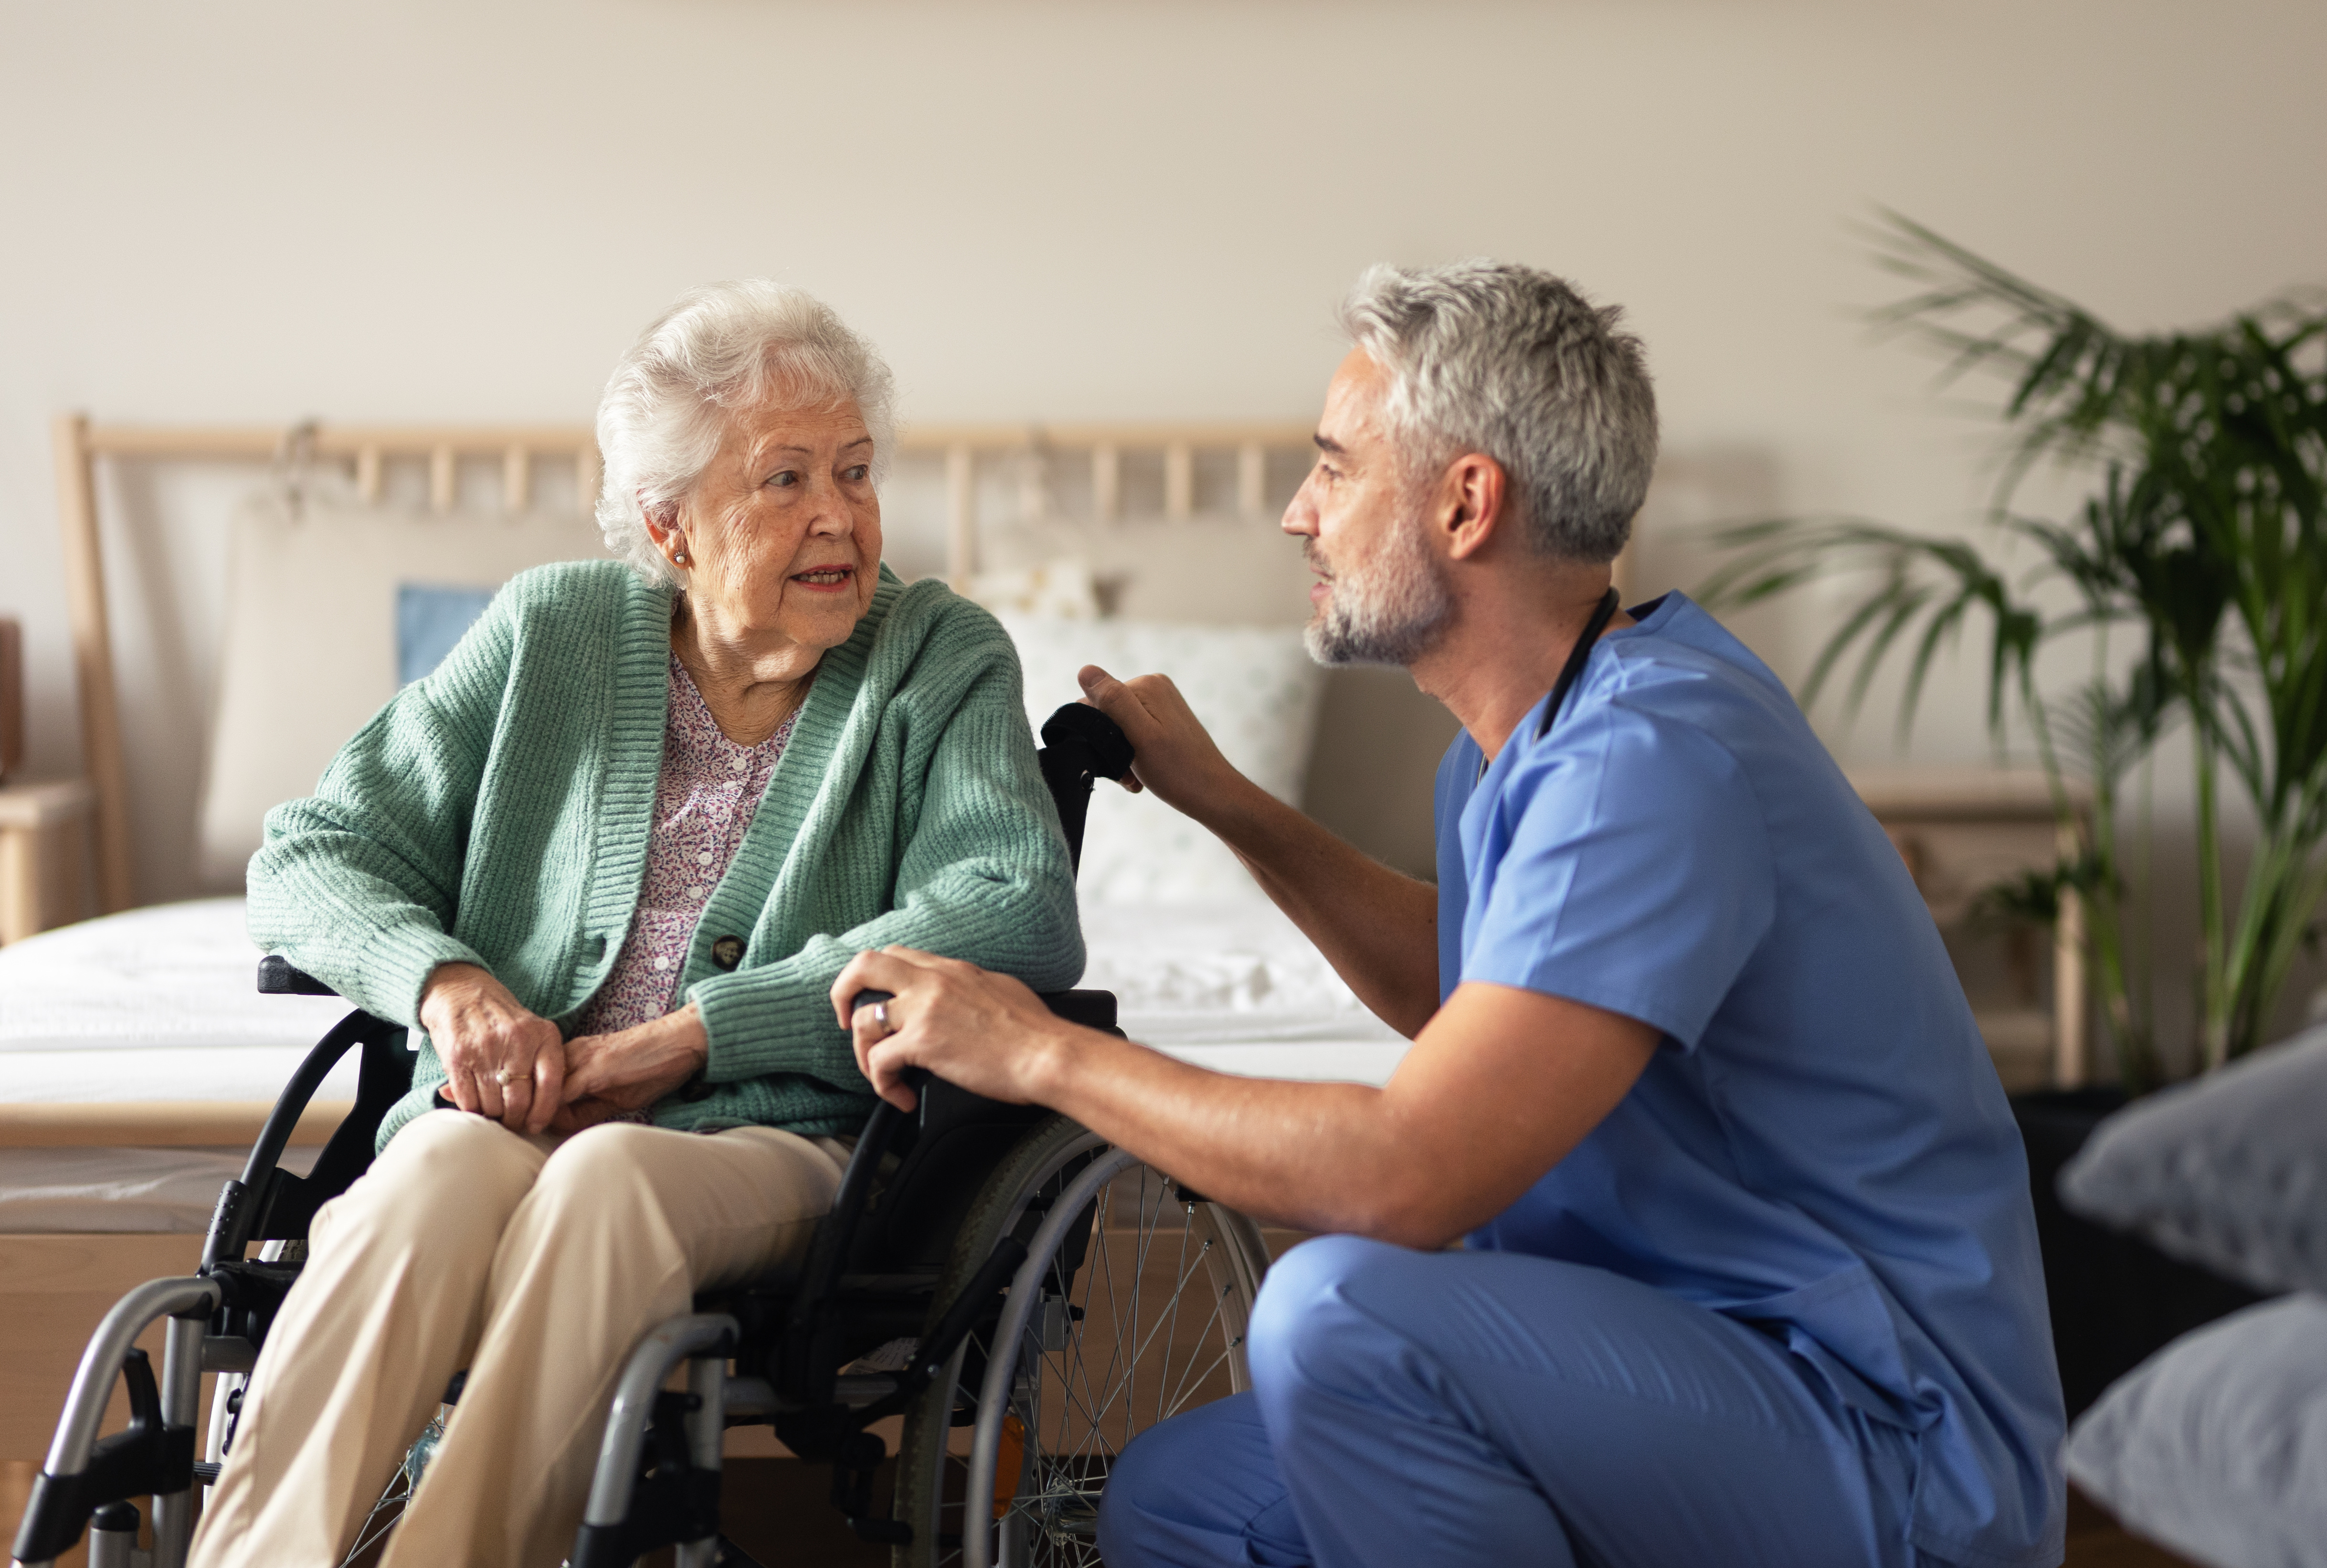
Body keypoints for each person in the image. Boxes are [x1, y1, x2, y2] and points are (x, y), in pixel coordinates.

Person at [831, 261, 2065, 1568]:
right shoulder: (1519, 741)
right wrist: (1229, 804)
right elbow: (1477, 999)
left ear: (1468, 502)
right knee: (1180, 1498)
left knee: (1340, 1312)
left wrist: (1039, 1049)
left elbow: (1404, 1175)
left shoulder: (1649, 760)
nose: (1300, 514)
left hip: (1882, 1432)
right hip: (1693, 1371)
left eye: (1335, 467)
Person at [190, 280, 1082, 1568]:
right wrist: (449, 988)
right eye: (785, 480)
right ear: (671, 528)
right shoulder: (548, 631)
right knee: (427, 1174)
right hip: (514, 1117)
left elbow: (1013, 908)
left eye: (856, 470)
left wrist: (695, 1038)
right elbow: (315, 849)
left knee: (608, 1180)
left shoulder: (938, 661)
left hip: (787, 1145)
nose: (841, 516)